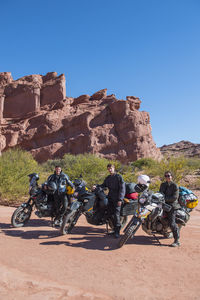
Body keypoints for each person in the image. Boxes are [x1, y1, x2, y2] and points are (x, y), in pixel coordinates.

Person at [97, 164, 126, 238]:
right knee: (109, 214)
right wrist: (97, 186)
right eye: (108, 169)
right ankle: (113, 229)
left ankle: (117, 232)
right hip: (110, 198)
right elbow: (103, 185)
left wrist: (120, 199)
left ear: (114, 168)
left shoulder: (119, 177)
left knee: (116, 215)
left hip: (117, 198)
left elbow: (122, 188)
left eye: (111, 168)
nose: (110, 170)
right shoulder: (108, 178)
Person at [159, 171, 181, 247]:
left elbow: (175, 197)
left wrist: (164, 199)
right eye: (166, 176)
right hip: (164, 204)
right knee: (157, 216)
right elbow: (160, 193)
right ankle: (163, 230)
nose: (167, 177)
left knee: (172, 223)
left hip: (172, 206)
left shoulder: (175, 185)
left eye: (169, 175)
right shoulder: (163, 185)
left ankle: (177, 241)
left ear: (172, 176)